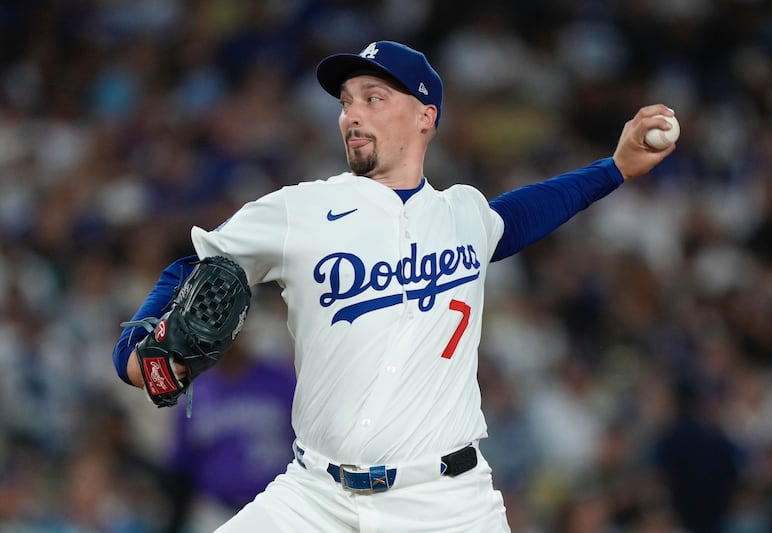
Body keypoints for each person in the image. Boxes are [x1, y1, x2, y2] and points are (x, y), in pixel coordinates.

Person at [112, 40, 677, 532]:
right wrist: (132, 353)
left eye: (373, 98)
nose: (352, 114)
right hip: (316, 498)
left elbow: (528, 211)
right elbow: (192, 266)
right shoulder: (300, 210)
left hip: (448, 503)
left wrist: (615, 168)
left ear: (425, 115)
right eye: (346, 101)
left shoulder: (463, 215)